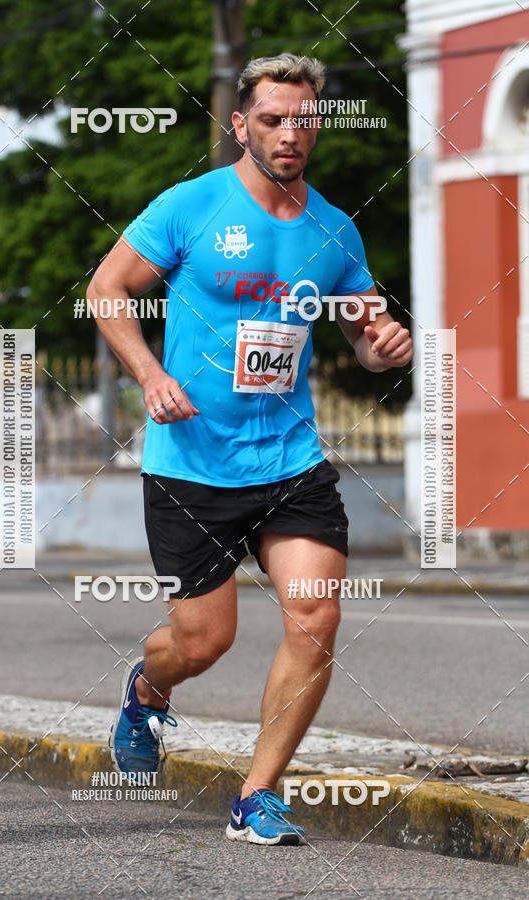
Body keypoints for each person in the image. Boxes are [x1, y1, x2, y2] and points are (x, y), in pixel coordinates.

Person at [88, 52, 413, 846]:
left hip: (290, 460)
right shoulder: (190, 207)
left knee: (316, 616)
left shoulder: (334, 229)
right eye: (272, 119)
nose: (289, 133)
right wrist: (149, 374)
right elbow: (107, 289)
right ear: (241, 125)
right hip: (191, 460)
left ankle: (256, 796)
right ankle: (147, 689)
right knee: (203, 642)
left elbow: (362, 335)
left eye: (304, 120)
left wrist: (383, 348)